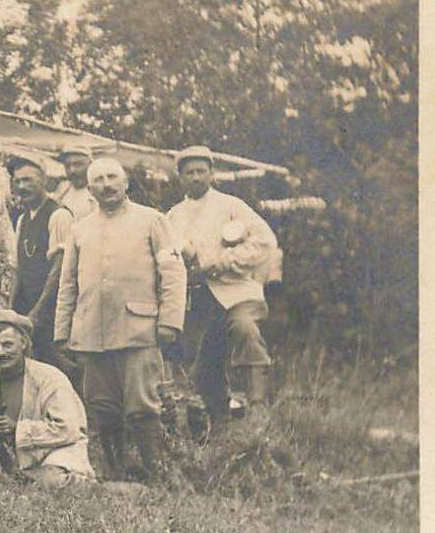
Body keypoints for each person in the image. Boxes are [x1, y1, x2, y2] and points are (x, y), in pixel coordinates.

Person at [54, 156, 187, 481]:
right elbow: (68, 282)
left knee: (143, 405)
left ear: (126, 183)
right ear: (89, 188)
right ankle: (116, 471)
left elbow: (173, 271)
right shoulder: (80, 228)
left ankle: (156, 471)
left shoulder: (152, 220)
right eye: (98, 180)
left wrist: (170, 320)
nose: (106, 185)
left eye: (113, 177)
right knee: (102, 406)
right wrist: (63, 331)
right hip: (91, 332)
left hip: (137, 329)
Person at [165, 145, 281, 418]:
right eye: (189, 172)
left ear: (212, 174)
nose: (196, 177)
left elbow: (265, 241)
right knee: (204, 363)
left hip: (236, 289)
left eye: (201, 171)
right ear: (180, 177)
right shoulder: (172, 216)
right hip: (199, 298)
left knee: (245, 328)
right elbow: (167, 255)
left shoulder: (231, 206)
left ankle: (257, 406)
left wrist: (223, 262)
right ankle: (219, 421)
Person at [0, 309, 94, 487]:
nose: (1, 353)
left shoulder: (49, 377)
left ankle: (75, 483)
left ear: (23, 343)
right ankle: (18, 479)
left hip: (55, 453)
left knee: (51, 481)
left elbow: (69, 429)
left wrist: (16, 428)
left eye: (7, 345)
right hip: (15, 458)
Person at [5, 157, 74, 366]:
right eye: (17, 182)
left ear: (43, 180)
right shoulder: (23, 219)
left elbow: (60, 269)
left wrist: (38, 312)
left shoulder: (59, 215)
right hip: (28, 306)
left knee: (59, 362)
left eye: (28, 180)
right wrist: (10, 308)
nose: (22, 187)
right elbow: (18, 268)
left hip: (51, 308)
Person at [55, 145, 98, 221]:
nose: (72, 170)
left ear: (90, 164)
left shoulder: (99, 192)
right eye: (67, 166)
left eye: (78, 164)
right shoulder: (62, 190)